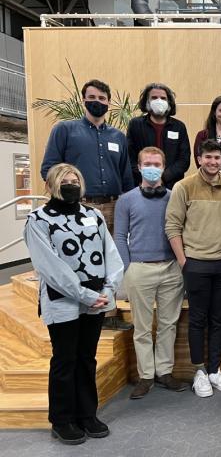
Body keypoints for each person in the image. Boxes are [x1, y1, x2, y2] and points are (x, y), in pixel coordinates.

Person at [24, 163, 124, 445]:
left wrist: (108, 288)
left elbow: (111, 253)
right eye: (65, 181)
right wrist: (87, 295)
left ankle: (86, 414)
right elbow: (51, 268)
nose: (71, 185)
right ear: (52, 185)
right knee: (65, 360)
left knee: (86, 358)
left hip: (96, 298)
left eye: (75, 180)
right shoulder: (38, 220)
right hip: (63, 300)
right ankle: (62, 419)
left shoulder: (92, 214)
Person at [40, 78, 133, 332]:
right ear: (83, 100)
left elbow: (126, 177)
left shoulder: (118, 137)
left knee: (110, 262)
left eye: (102, 99)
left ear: (109, 103)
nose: (97, 102)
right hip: (78, 208)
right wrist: (66, 198)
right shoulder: (65, 130)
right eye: (92, 97)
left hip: (113, 207)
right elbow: (49, 169)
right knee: (79, 260)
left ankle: (108, 311)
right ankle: (78, 311)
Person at [165, 139, 221, 398]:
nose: (212, 162)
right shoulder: (183, 187)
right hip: (195, 263)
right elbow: (172, 226)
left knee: (219, 318)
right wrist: (184, 262)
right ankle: (199, 371)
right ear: (199, 159)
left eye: (217, 158)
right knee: (197, 319)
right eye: (207, 157)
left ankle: (214, 369)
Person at [114, 147, 188, 399]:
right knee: (143, 328)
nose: (152, 167)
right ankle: (146, 375)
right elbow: (120, 236)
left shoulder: (174, 196)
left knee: (168, 324)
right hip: (139, 268)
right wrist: (127, 268)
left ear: (164, 168)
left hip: (170, 268)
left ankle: (164, 371)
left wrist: (181, 263)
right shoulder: (126, 200)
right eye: (148, 163)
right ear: (139, 166)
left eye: (157, 163)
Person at [126, 82, 190, 190]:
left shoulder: (179, 127)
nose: (159, 101)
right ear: (147, 102)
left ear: (169, 102)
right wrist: (146, 177)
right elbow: (129, 157)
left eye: (163, 98)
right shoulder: (135, 125)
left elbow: (184, 160)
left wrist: (163, 177)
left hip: (172, 187)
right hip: (141, 186)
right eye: (154, 98)